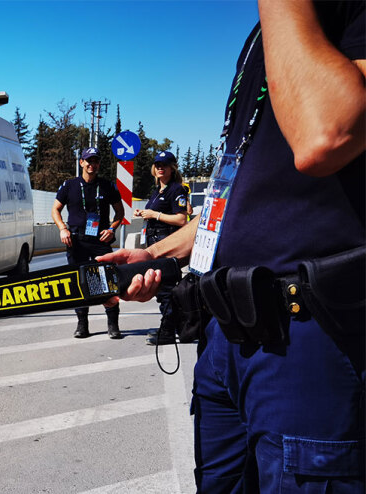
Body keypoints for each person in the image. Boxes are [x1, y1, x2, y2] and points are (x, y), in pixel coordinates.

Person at [97, 1, 365, 491]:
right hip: (224, 332)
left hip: (306, 336)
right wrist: (154, 254)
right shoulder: (262, 35)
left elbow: (326, 133)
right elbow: (229, 198)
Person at [52, 146, 125, 339]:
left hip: (100, 240)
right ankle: (82, 324)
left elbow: (120, 212)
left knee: (107, 281)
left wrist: (112, 229)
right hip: (76, 241)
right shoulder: (69, 185)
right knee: (80, 282)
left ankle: (113, 324)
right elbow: (55, 209)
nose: (92, 164)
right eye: (89, 161)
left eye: (96, 161)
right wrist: (62, 228)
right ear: (81, 162)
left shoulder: (107, 186)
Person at [133, 151, 188, 345]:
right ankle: (176, 328)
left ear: (172, 168)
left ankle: (167, 332)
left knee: (165, 289)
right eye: (157, 165)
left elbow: (181, 219)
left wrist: (155, 215)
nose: (160, 168)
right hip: (155, 242)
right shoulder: (158, 190)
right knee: (163, 289)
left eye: (164, 165)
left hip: (166, 243)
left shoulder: (176, 189)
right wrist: (144, 213)